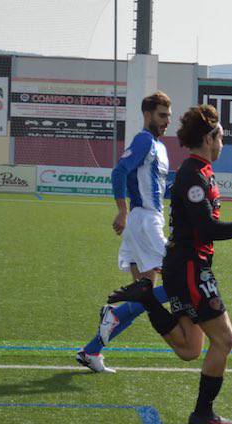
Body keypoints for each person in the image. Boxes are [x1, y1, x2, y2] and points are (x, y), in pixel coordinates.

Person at [107, 104, 232, 424]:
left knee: (189, 348)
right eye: (220, 136)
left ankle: (148, 298)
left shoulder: (201, 172)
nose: (223, 142)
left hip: (185, 266)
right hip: (192, 267)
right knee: (224, 341)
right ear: (209, 138)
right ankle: (203, 412)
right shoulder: (194, 176)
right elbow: (206, 229)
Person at [75, 91, 173, 373]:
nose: (166, 121)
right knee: (180, 281)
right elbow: (119, 172)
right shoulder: (144, 140)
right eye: (161, 115)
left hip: (145, 222)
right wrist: (122, 210)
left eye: (168, 115)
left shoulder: (159, 146)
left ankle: (91, 351)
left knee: (143, 297)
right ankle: (114, 313)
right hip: (145, 222)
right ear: (147, 114)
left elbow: (156, 183)